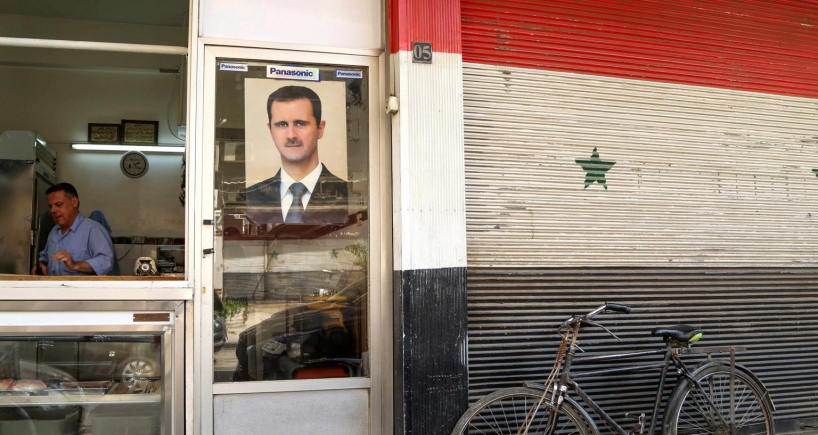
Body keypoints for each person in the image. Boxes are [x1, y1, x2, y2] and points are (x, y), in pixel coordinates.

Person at [245, 85, 349, 225]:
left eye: (300, 123)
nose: (291, 135)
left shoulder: (348, 194)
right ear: (270, 130)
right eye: (282, 124)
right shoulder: (250, 198)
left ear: (320, 129)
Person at [31, 183, 115, 276]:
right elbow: (45, 257)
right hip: (53, 285)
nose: (53, 210)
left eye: (58, 204)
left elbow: (106, 262)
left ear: (74, 202)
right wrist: (42, 264)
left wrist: (75, 265)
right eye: (50, 206)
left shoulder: (93, 229)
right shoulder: (54, 231)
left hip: (80, 286)